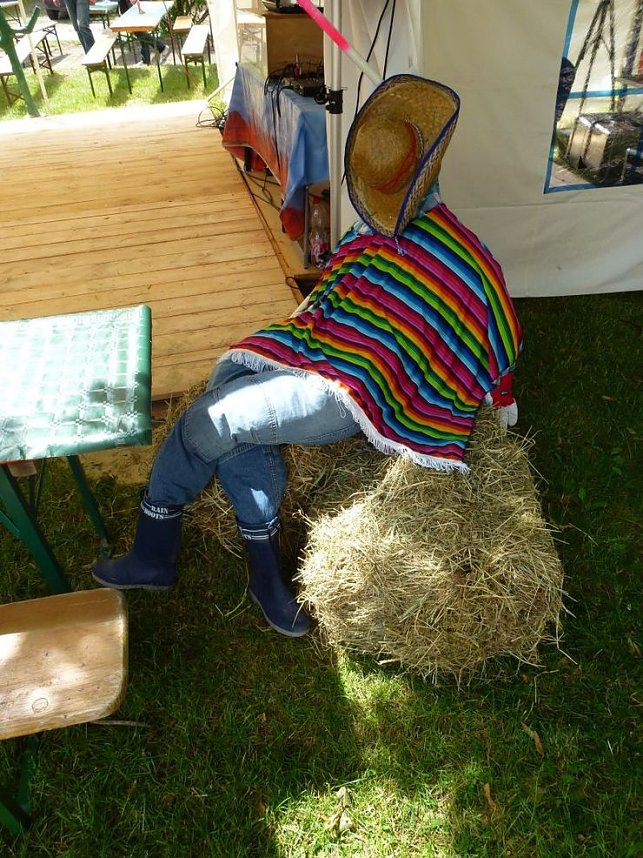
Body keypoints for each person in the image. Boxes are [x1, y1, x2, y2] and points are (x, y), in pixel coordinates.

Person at [92, 74, 523, 638]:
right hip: (320, 352)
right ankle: (263, 567)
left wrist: (495, 396)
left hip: (354, 391)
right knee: (228, 377)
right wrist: (311, 336)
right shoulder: (367, 237)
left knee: (213, 419)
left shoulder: (462, 258)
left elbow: (491, 323)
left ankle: (158, 546)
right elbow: (331, 303)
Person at [117, 0, 169, 66]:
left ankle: (160, 49)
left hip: (135, 9)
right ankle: (148, 59)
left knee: (139, 32)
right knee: (140, 33)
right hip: (129, 9)